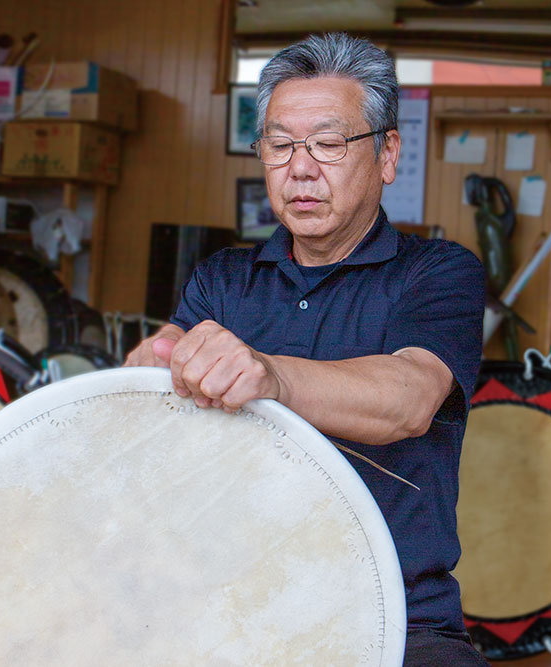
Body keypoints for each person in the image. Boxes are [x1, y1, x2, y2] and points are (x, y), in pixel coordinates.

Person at [125, 33, 487, 666]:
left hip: (391, 612)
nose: (299, 168)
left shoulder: (437, 273)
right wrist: (155, 367)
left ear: (386, 154)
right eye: (280, 144)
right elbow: (165, 367)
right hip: (226, 607)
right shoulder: (225, 279)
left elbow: (410, 398)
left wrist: (271, 378)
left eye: (327, 143)